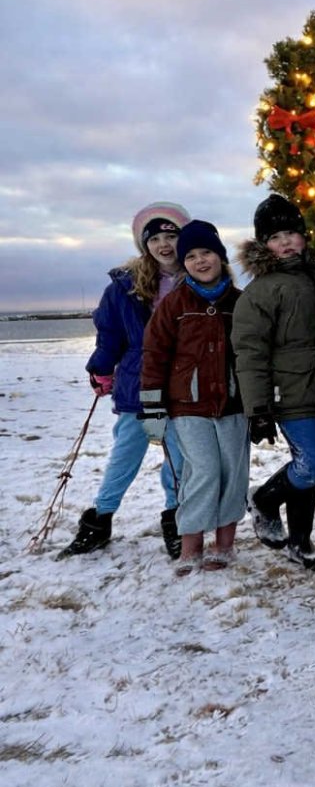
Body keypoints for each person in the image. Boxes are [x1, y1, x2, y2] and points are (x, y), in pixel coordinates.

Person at [59, 201, 190, 561]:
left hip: (181, 383)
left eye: (171, 236)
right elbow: (110, 333)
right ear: (144, 245)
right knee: (125, 454)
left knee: (178, 457)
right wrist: (101, 369)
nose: (164, 245)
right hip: (137, 382)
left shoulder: (196, 277)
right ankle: (100, 520)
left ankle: (175, 519)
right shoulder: (125, 286)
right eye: (155, 239)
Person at [232, 194, 315, 570]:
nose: (287, 242)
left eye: (292, 233)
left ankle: (299, 542)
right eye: (276, 237)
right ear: (264, 245)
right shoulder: (262, 290)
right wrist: (258, 408)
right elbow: (250, 352)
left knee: (312, 464)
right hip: (290, 392)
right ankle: (263, 500)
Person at [140, 220, 248, 574]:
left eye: (207, 253)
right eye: (191, 256)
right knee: (202, 471)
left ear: (220, 257)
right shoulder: (173, 305)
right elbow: (154, 355)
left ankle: (225, 544)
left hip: (233, 405)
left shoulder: (239, 303)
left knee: (233, 471)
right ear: (184, 263)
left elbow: (254, 354)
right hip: (188, 406)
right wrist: (153, 407)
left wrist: (260, 404)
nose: (200, 261)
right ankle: (191, 546)